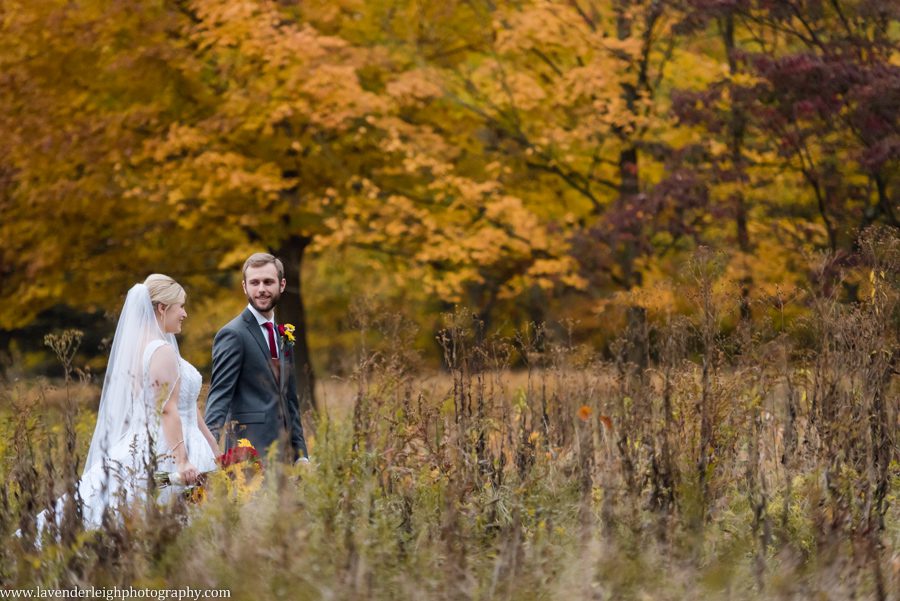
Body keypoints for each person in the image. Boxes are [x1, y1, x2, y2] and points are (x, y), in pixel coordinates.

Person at [28, 275, 219, 534]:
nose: (185, 314)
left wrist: (212, 443)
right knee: (165, 514)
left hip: (176, 438)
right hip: (170, 445)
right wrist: (182, 461)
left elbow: (187, 404)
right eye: (181, 307)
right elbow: (167, 409)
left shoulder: (147, 346)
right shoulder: (161, 350)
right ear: (162, 308)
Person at [205, 253, 308, 463]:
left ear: (282, 285)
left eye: (268, 282)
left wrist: (301, 456)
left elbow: (290, 399)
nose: (261, 289)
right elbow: (219, 397)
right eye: (254, 283)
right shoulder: (233, 334)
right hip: (248, 456)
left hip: (285, 457)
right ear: (245, 287)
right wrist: (206, 451)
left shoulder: (283, 334)